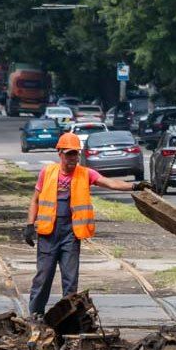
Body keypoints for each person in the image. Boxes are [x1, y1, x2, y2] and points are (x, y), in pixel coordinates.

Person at [23, 132, 146, 318]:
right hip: (48, 234)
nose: (73, 158)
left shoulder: (85, 173)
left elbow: (110, 183)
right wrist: (29, 225)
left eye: (75, 154)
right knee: (43, 277)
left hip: (70, 235)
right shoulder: (47, 172)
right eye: (69, 154)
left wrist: (136, 186)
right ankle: (35, 315)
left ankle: (67, 318)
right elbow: (35, 201)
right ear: (60, 154)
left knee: (70, 280)